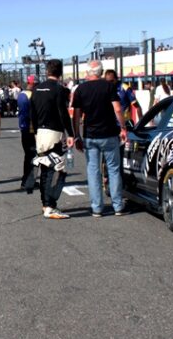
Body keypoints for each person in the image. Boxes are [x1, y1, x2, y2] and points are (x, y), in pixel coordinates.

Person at [71, 60, 127, 217]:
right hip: (109, 133)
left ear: (88, 72)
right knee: (114, 170)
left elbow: (76, 115)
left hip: (90, 135)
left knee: (93, 171)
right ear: (101, 72)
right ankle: (117, 206)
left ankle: (97, 208)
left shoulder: (80, 89)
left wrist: (77, 135)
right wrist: (123, 127)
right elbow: (117, 108)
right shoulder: (109, 86)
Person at [30, 59, 75, 219]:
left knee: (45, 169)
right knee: (58, 169)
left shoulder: (36, 89)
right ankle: (51, 205)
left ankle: (45, 204)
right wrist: (70, 134)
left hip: (40, 133)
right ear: (60, 72)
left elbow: (32, 114)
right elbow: (63, 114)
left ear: (47, 71)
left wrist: (36, 132)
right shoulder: (60, 90)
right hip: (54, 132)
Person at [17, 75, 38, 192]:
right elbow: (25, 114)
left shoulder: (27, 95)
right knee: (31, 155)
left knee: (33, 156)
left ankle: (30, 180)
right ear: (31, 84)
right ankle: (26, 181)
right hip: (29, 130)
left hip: (31, 129)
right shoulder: (24, 96)